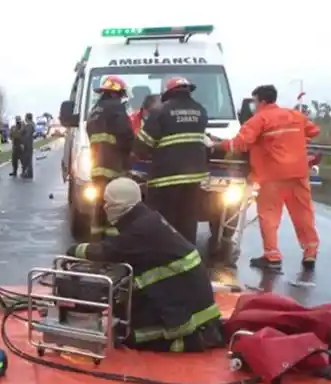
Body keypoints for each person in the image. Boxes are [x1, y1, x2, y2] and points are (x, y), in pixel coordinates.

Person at [66, 177, 224, 353]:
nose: (104, 207)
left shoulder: (140, 230)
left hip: (188, 318)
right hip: (190, 302)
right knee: (125, 314)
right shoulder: (147, 220)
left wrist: (74, 250)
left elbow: (107, 252)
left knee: (129, 337)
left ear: (118, 205)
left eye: (107, 202)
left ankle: (192, 340)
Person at [209, 84, 320, 271]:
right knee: (303, 214)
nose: (254, 105)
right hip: (298, 173)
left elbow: (240, 144)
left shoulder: (259, 119)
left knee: (269, 216)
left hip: (272, 175)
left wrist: (216, 144)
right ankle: (310, 252)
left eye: (254, 101)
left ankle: (272, 256)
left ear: (260, 101)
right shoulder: (295, 115)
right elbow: (313, 131)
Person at [134, 77, 209, 245]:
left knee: (164, 221)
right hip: (194, 177)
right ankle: (187, 255)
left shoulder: (161, 111)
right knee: (188, 219)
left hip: (166, 177)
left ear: (168, 93)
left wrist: (136, 154)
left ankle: (165, 254)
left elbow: (143, 144)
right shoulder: (200, 110)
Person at [85, 75, 135, 238]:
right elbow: (126, 134)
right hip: (113, 164)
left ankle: (97, 238)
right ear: (116, 93)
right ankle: (114, 241)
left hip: (97, 164)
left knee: (100, 202)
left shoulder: (95, 111)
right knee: (115, 203)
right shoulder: (116, 109)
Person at [21, 113, 36, 179]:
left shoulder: (29, 126)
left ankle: (29, 174)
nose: (25, 118)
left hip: (28, 145)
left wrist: (23, 144)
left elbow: (27, 136)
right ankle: (27, 173)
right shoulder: (31, 125)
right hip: (29, 145)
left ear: (27, 118)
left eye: (25, 117)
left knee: (28, 160)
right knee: (27, 160)